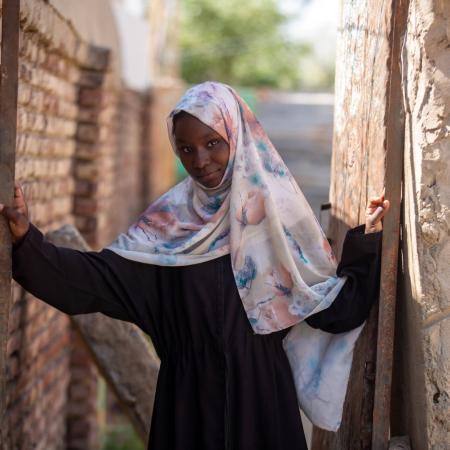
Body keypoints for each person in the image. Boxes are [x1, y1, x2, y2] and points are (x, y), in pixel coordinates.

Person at [1, 81, 389, 450]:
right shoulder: (167, 228)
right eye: (186, 149)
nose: (200, 161)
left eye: (213, 143)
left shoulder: (275, 222)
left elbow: (333, 308)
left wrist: (367, 242)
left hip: (264, 412)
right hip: (186, 414)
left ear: (236, 138)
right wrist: (26, 239)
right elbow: (91, 281)